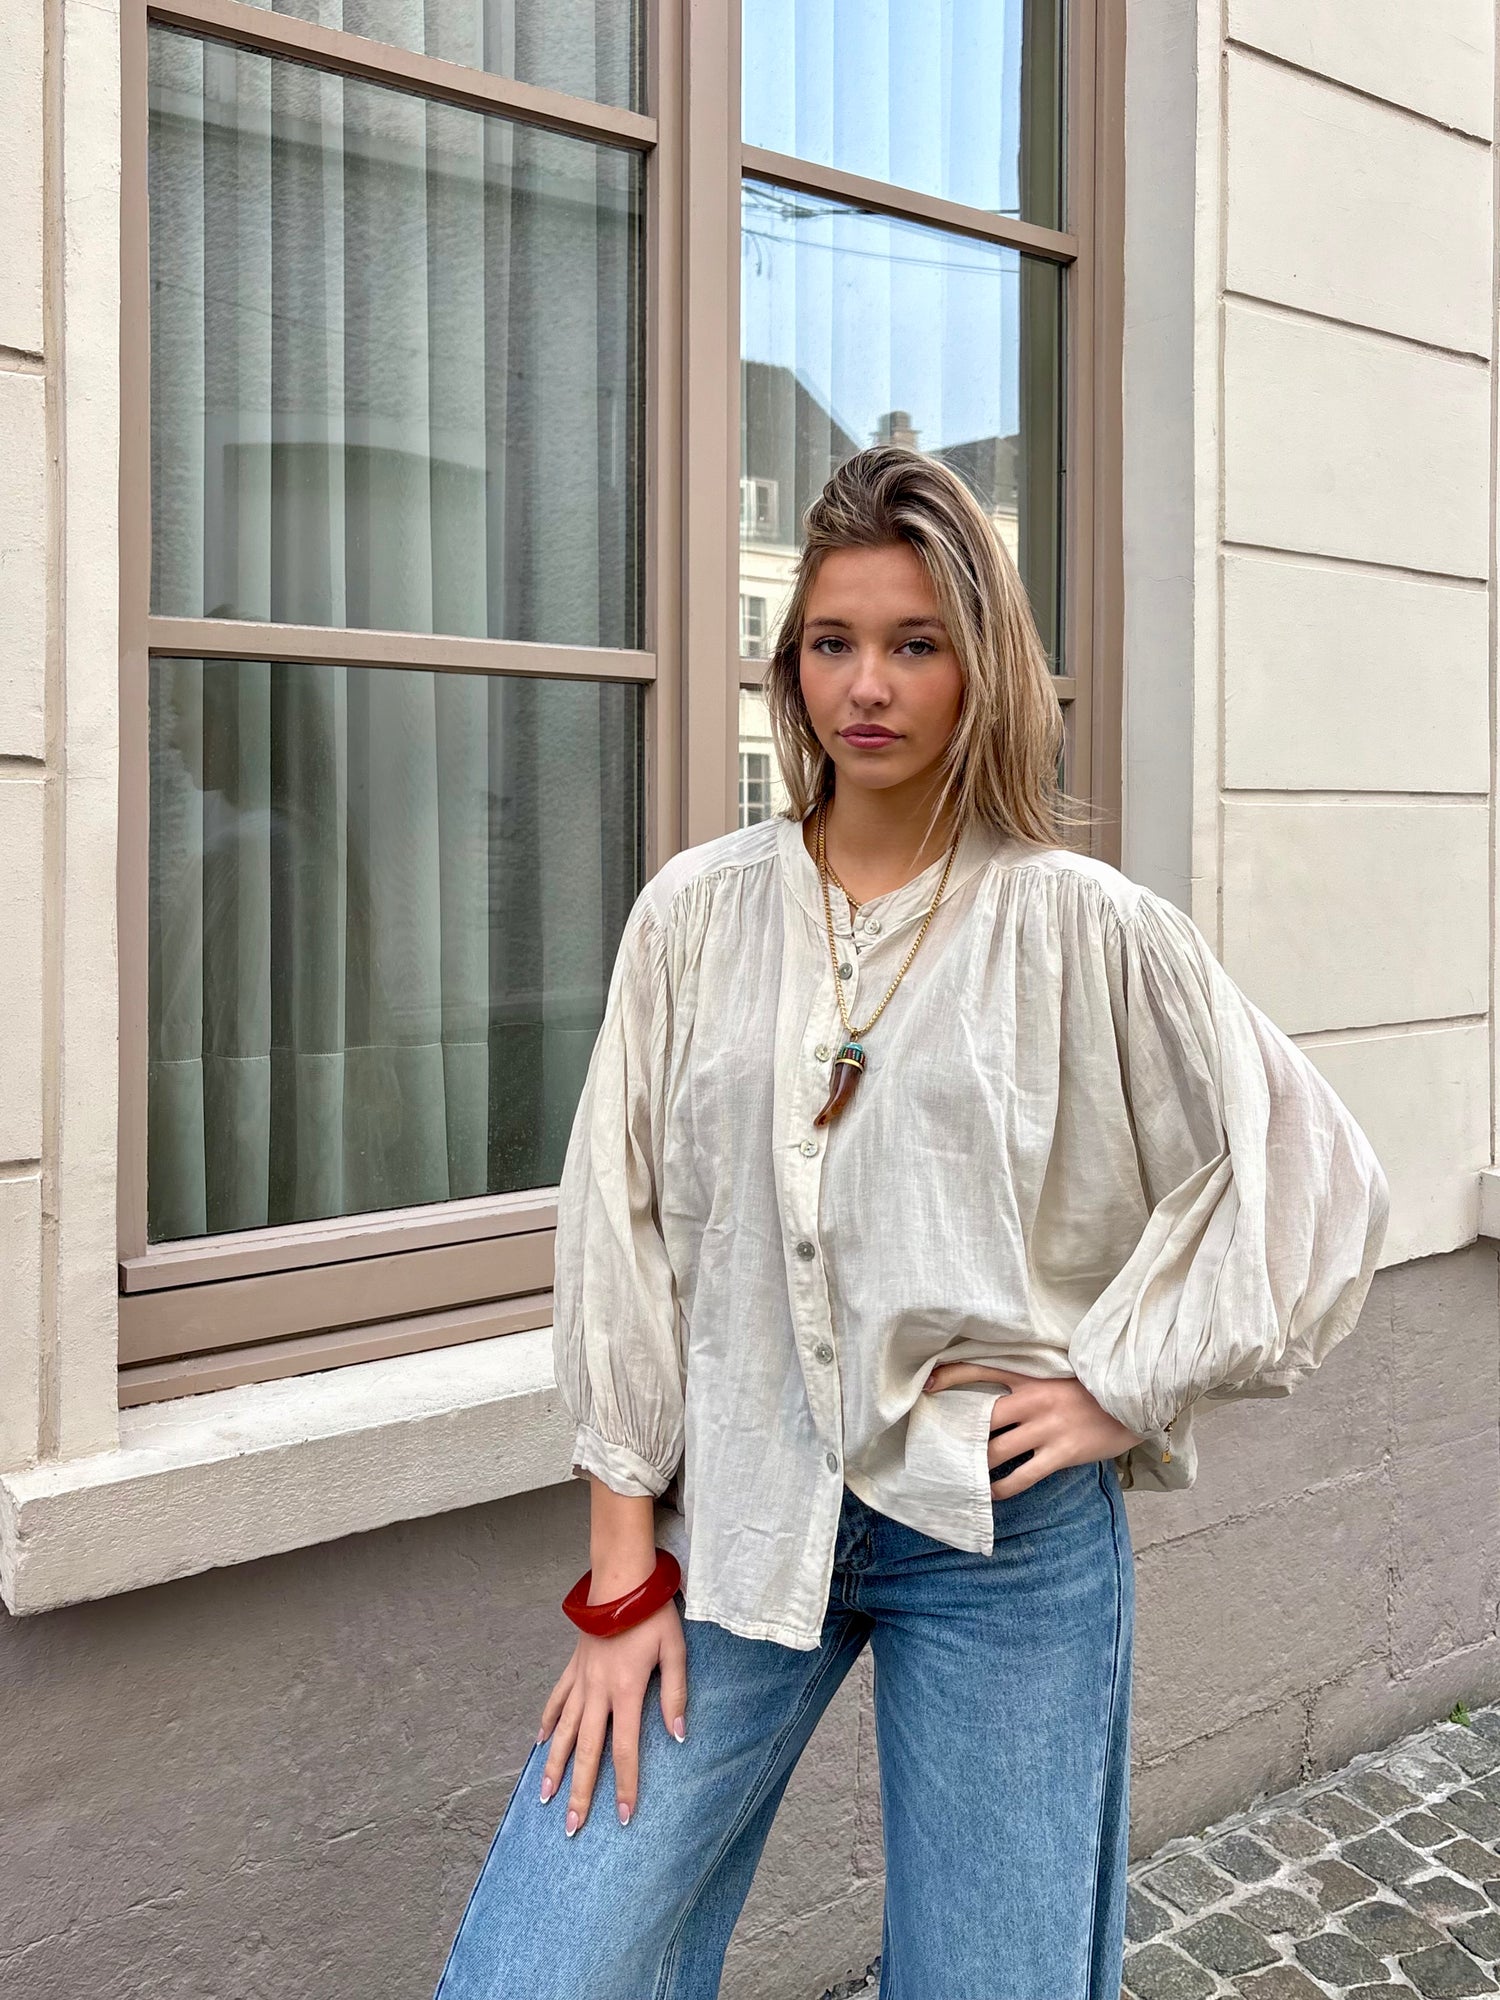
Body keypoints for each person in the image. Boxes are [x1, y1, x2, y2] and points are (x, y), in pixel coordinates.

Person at [432, 445, 1390, 2000]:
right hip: (738, 1513)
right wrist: (619, 1583)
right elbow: (623, 1233)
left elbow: (1314, 1174)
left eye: (914, 643)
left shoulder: (1082, 925)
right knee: (543, 1967)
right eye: (833, 642)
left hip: (1002, 1535)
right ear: (792, 665)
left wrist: (1122, 1384)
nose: (865, 686)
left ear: (979, 667)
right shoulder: (696, 915)